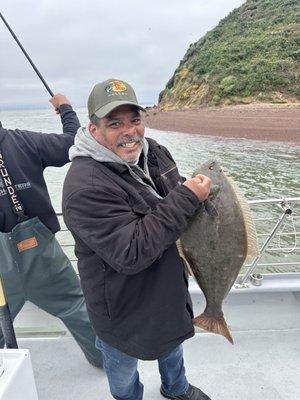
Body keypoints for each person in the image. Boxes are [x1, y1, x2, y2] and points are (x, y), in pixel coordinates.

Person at [62, 78, 212, 399]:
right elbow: (131, 252)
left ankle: (176, 388)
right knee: (122, 369)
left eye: (135, 120)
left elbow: (173, 192)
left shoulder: (154, 151)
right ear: (93, 130)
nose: (129, 132)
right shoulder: (85, 186)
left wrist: (197, 192)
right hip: (120, 306)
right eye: (114, 123)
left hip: (167, 286)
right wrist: (187, 197)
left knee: (172, 347)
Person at [0, 94, 102, 368]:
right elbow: (75, 140)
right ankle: (104, 359)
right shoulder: (25, 142)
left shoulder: (25, 141)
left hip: (4, 278)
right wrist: (66, 109)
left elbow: (73, 143)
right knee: (77, 308)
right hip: (44, 259)